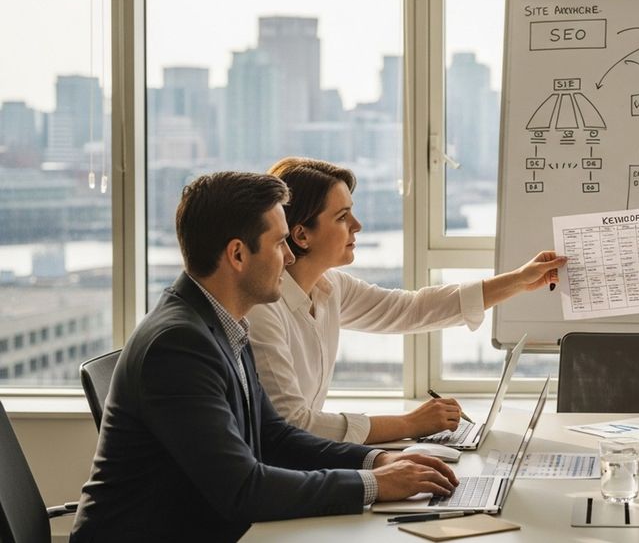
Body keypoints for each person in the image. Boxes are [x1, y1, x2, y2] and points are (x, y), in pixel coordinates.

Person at [71, 172, 460, 543]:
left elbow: (275, 437)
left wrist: (375, 462)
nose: (290, 257)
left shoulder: (220, 325)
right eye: (279, 244)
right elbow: (242, 488)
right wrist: (372, 486)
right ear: (238, 254)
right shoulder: (179, 345)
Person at [246, 157, 564, 444]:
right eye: (343, 217)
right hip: (283, 466)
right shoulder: (262, 310)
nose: (358, 226)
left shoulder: (330, 287)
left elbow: (411, 310)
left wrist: (520, 280)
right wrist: (410, 423)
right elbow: (295, 424)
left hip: (309, 456)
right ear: (302, 235)